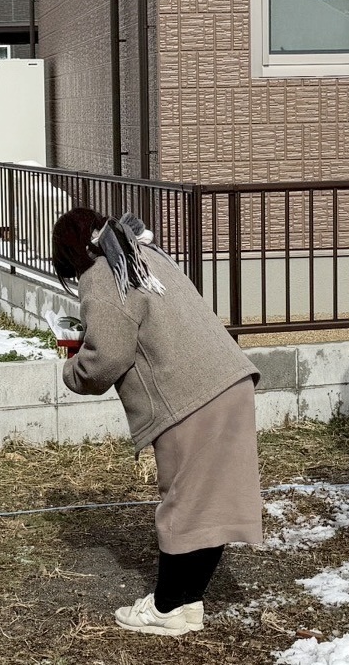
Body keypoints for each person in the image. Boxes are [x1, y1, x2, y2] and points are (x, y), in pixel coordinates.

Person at [53, 208, 263, 637]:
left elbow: (106, 357)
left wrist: (71, 367)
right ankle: (187, 605)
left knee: (186, 502)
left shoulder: (102, 275)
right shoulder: (144, 253)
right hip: (229, 381)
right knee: (212, 503)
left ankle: (167, 606)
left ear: (72, 253)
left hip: (188, 399)